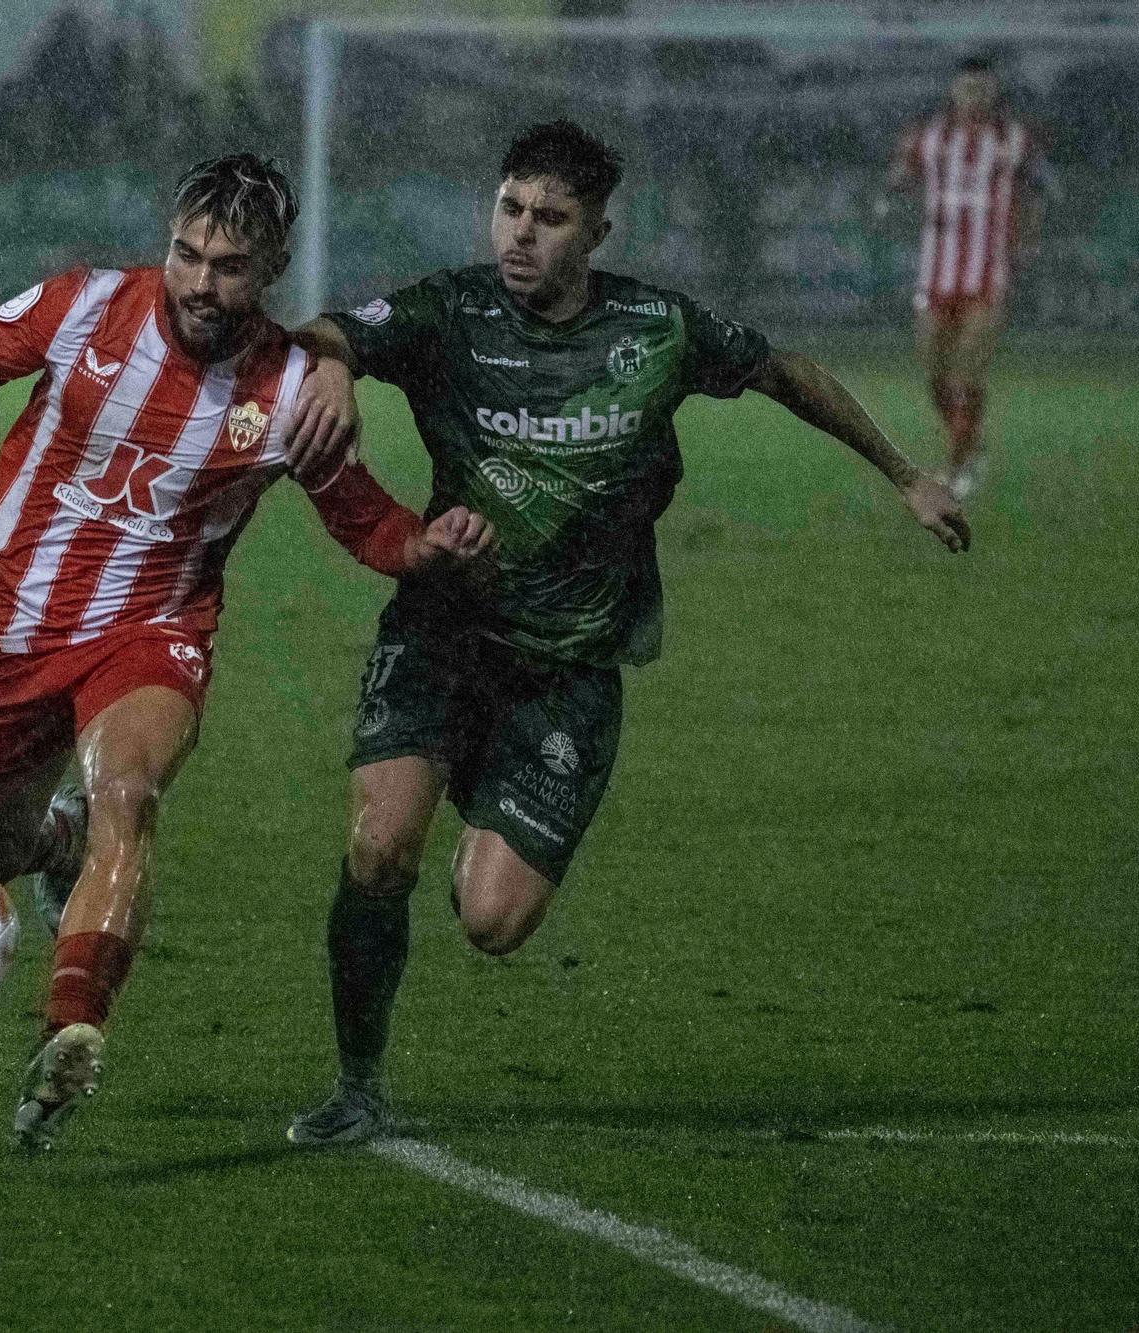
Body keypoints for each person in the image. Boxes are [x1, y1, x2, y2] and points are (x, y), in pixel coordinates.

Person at [0, 153, 494, 1153]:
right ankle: (53, 850)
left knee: (125, 796)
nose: (200, 281)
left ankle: (70, 1029)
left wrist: (421, 546)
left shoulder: (290, 387)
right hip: (15, 626)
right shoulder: (80, 308)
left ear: (266, 268)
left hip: (155, 629)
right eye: (186, 253)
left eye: (228, 265)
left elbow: (361, 522)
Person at [282, 120, 971, 1147]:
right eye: (509, 207)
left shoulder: (654, 330)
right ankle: (356, 1083)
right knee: (380, 847)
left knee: (492, 923)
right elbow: (329, 330)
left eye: (549, 219)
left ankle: (490, 806)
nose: (520, 234)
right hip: (442, 630)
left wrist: (905, 472)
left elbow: (784, 373)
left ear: (596, 230)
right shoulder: (450, 310)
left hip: (569, 665)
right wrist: (331, 366)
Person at [882, 55, 1054, 501]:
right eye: (967, 88)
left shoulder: (1014, 138)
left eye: (982, 89)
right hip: (934, 273)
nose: (974, 96)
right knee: (934, 373)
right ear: (954, 91)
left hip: (988, 273)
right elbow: (900, 177)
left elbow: (1036, 191)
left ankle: (957, 467)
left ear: (994, 92)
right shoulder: (930, 137)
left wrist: (1028, 244)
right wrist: (894, 187)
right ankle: (971, 446)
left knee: (967, 372)